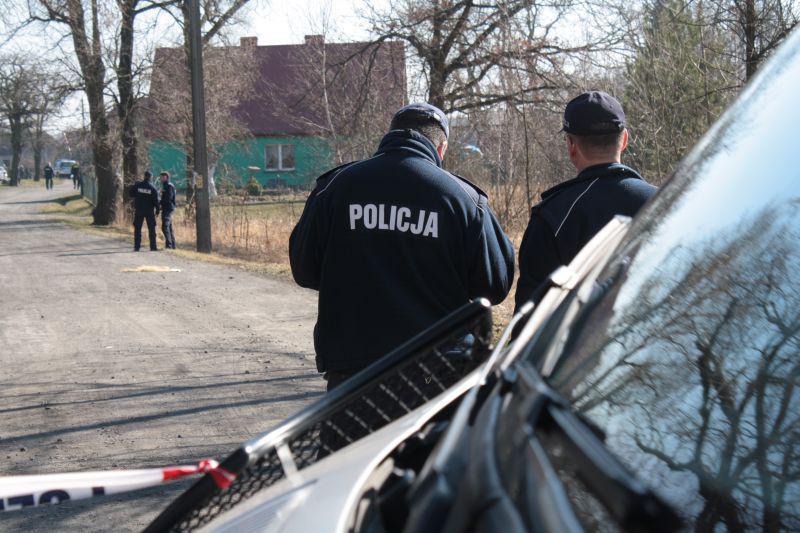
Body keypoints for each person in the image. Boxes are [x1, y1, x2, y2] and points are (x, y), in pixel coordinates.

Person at [290, 103, 515, 392]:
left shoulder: (335, 187)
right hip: (438, 369)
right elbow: (495, 285)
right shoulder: (464, 200)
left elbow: (304, 269)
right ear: (441, 148)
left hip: (353, 370)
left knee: (354, 439)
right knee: (434, 440)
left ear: (390, 136)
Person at [515, 91, 657, 311]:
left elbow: (529, 317)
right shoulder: (666, 203)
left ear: (571, 146)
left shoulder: (553, 215)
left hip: (571, 345)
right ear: (625, 140)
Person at [129, 170, 160, 252]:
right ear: (150, 178)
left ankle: (137, 247)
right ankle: (153, 247)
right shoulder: (152, 188)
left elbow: (131, 194)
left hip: (139, 210)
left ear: (144, 176)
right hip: (149, 211)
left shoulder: (138, 185)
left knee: (138, 228)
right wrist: (157, 210)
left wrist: (134, 186)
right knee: (152, 229)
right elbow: (156, 201)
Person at [159, 171, 177, 249]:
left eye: (162, 177)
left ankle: (169, 245)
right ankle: (172, 245)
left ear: (166, 177)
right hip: (166, 208)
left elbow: (168, 198)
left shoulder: (169, 186)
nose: (161, 178)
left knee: (164, 227)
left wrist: (160, 202)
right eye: (161, 177)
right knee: (169, 227)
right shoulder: (165, 185)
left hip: (168, 208)